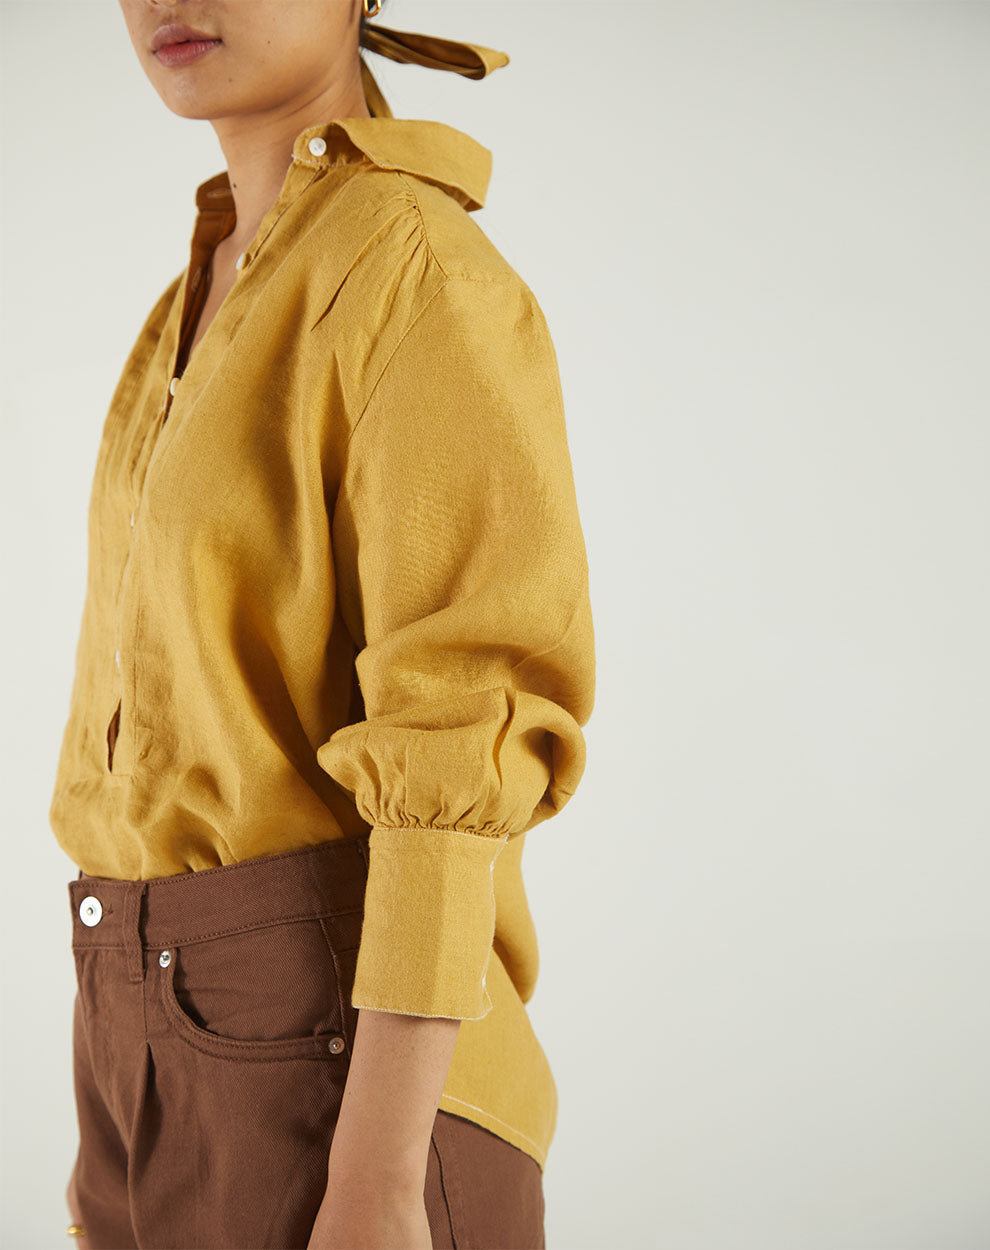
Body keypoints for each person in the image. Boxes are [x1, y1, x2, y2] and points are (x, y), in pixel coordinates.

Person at [51, 1, 596, 1246]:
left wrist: (380, 1176)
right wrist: (117, 1090)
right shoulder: (202, 290)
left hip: (348, 1078)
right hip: (144, 1041)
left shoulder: (415, 272)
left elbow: (461, 730)